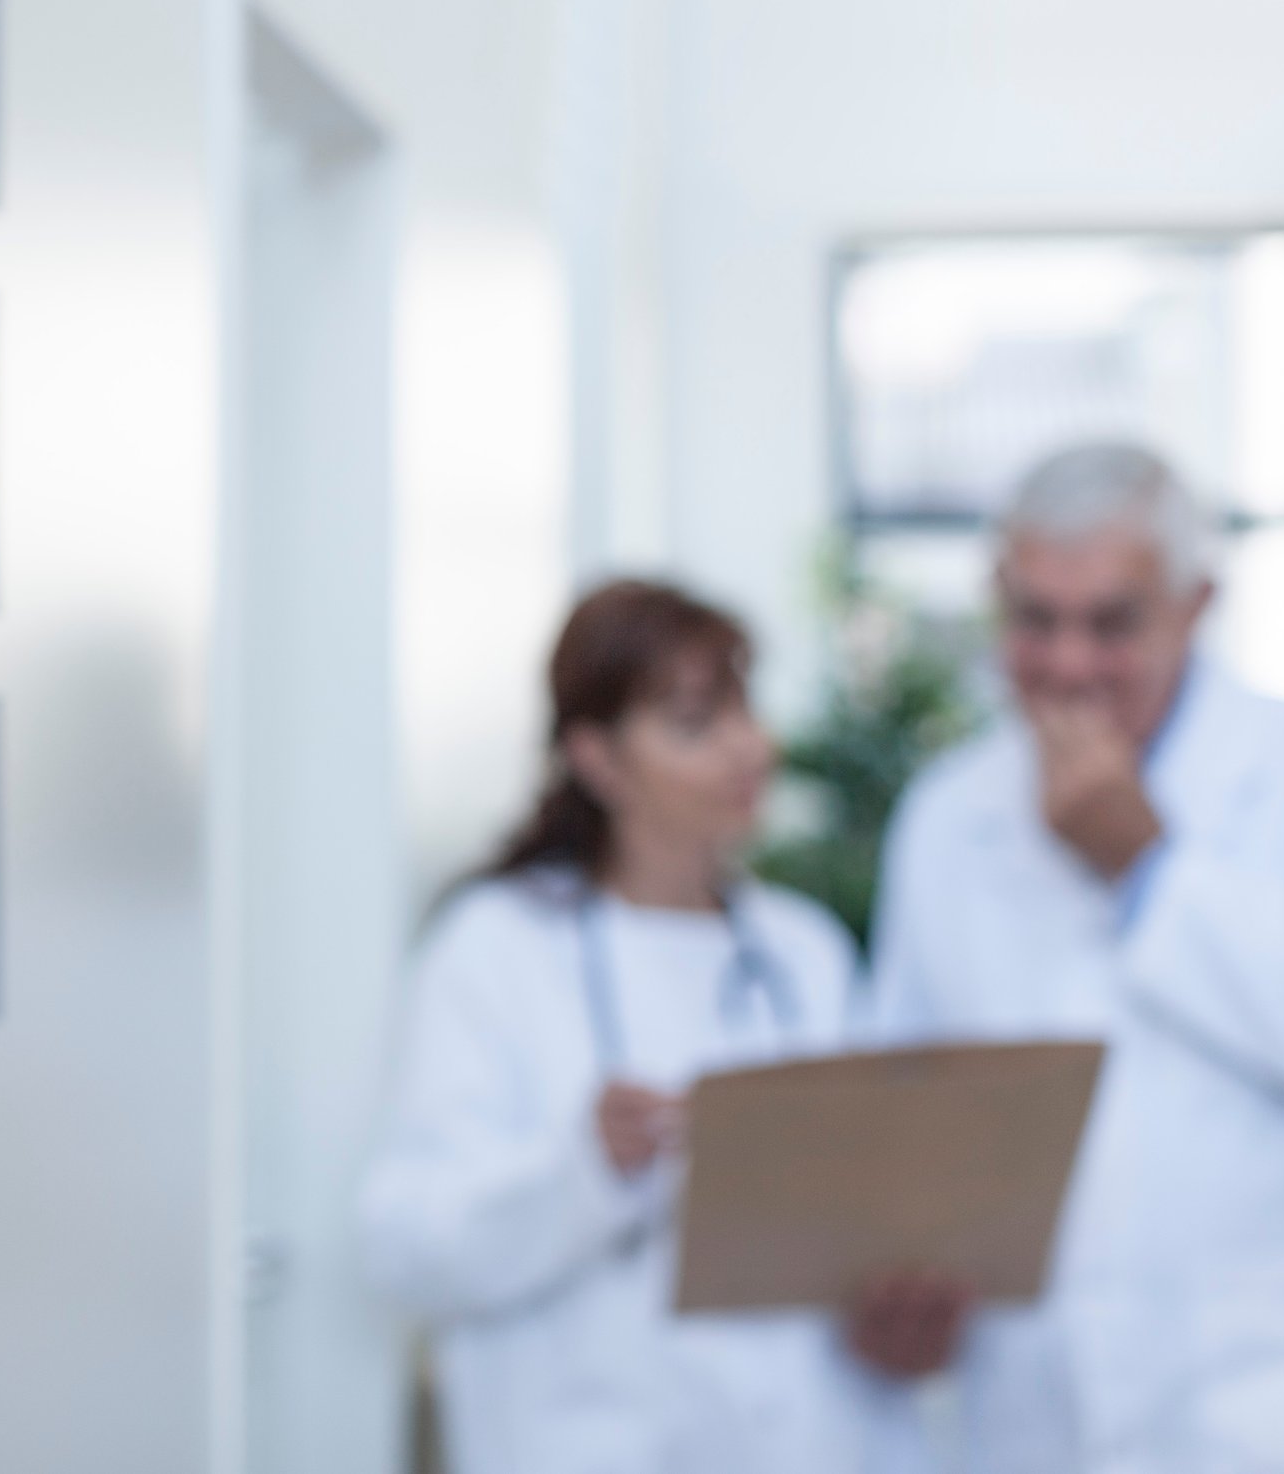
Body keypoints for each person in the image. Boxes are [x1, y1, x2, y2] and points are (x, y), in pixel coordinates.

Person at [870, 442, 1284, 1472]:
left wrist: (1149, 871)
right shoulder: (948, 816)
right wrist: (894, 1280)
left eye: (1111, 622)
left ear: (1195, 603)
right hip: (1032, 1414)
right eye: (1034, 619)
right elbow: (902, 1108)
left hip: (1279, 1417)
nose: (1068, 663)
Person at [357, 579, 896, 1474]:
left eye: (743, 713)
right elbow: (406, 1247)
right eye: (696, 723)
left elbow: (875, 1202)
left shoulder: (804, 952)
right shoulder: (497, 947)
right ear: (596, 758)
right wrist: (587, 1167)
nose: (746, 749)